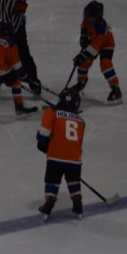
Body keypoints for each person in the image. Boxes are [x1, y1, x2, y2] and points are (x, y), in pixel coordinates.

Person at [36, 87, 85, 220]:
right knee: (73, 181)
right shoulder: (80, 120)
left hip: (55, 157)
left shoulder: (52, 111)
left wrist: (42, 143)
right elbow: (78, 142)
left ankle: (49, 203)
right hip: (75, 159)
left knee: (52, 182)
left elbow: (44, 131)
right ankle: (77, 204)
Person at [73, 0, 122, 103]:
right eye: (86, 16)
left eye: (90, 17)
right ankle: (81, 83)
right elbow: (84, 27)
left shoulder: (101, 29)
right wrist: (83, 37)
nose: (87, 19)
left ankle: (115, 89)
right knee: (83, 63)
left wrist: (82, 56)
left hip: (106, 44)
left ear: (98, 17)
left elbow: (94, 49)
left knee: (105, 64)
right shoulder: (87, 20)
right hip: (94, 42)